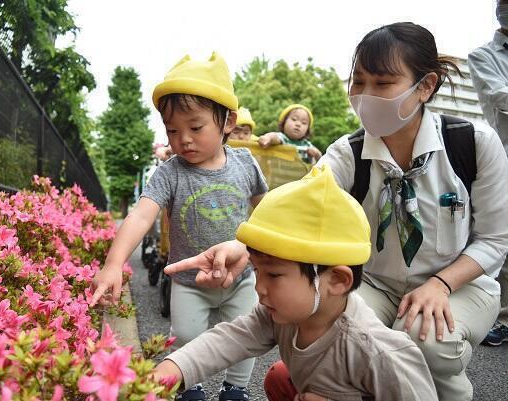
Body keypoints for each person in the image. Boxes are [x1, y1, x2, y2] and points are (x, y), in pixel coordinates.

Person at [165, 23, 508, 401]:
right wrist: (243, 246)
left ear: (425, 86)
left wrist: (440, 285)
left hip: (461, 284)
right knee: (321, 322)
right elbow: (296, 210)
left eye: (382, 84)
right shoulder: (348, 153)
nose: (365, 96)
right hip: (378, 285)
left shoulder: (473, 144)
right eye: (358, 82)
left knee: (424, 339)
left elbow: (495, 239)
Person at [155, 165, 438, 401]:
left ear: (337, 280)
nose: (259, 287)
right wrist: (170, 370)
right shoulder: (282, 314)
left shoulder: (378, 353)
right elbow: (227, 339)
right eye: (257, 271)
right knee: (280, 378)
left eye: (274, 275)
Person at [89, 52, 268, 401]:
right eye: (172, 130)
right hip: (189, 281)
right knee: (185, 334)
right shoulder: (170, 172)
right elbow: (141, 215)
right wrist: (113, 263)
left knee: (248, 335)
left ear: (227, 122)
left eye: (195, 127)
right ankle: (192, 386)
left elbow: (267, 210)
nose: (183, 139)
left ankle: (236, 389)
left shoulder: (246, 164)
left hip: (241, 275)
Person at [468, 0, 508, 346]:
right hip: (505, 156)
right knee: (500, 238)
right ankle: (502, 316)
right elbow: (501, 97)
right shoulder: (484, 56)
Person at [257, 104, 322, 163]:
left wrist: (316, 154)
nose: (298, 124)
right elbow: (274, 137)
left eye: (304, 123)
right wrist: (267, 138)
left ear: (307, 130)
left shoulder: (307, 145)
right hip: (279, 175)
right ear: (284, 122)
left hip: (302, 175)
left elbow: (321, 158)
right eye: (294, 119)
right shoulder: (283, 138)